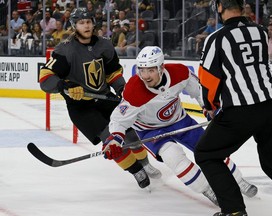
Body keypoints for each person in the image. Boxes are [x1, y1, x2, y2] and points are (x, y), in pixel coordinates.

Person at [103, 46, 258, 206]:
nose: (145, 76)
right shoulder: (134, 90)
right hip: (150, 130)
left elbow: (199, 91)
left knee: (211, 149)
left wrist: (209, 109)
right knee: (174, 157)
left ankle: (238, 181)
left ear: (161, 67)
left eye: (150, 70)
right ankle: (208, 189)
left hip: (180, 120)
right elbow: (119, 120)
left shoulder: (179, 73)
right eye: (142, 70)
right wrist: (114, 140)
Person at [39, 8, 161, 189]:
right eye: (81, 22)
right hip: (81, 108)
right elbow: (45, 77)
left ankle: (145, 164)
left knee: (130, 133)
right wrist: (63, 86)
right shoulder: (65, 49)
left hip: (105, 98)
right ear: (74, 26)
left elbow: (112, 71)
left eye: (88, 21)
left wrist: (121, 88)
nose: (86, 25)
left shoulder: (104, 44)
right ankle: (137, 171)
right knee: (111, 140)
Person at [194, 0, 272, 215]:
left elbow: (208, 79)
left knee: (206, 154)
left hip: (240, 110)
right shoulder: (261, 32)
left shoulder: (216, 39)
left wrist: (210, 106)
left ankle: (234, 210)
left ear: (219, 7)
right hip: (271, 105)